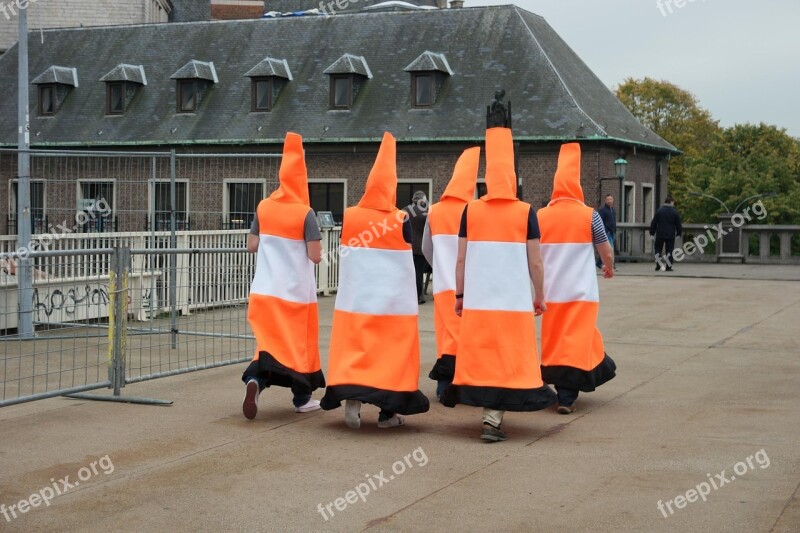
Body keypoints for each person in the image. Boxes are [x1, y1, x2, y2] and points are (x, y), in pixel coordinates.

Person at [441, 128, 556, 443]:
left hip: (479, 301)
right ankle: (493, 418)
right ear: (514, 180)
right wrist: (540, 296)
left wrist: (460, 295)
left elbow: (461, 260)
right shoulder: (525, 212)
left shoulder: (471, 210)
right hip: (513, 302)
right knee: (508, 356)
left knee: (483, 354)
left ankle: (489, 415)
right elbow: (535, 262)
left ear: (487, 180)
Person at [321, 132, 430, 429]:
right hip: (390, 304)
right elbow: (406, 258)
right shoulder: (400, 219)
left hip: (356, 301)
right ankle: (387, 415)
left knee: (356, 349)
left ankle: (352, 401)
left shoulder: (351, 215)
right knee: (388, 356)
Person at [241, 132, 325, 420]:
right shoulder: (306, 213)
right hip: (296, 295)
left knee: (268, 345)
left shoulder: (264, 207)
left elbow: (252, 245)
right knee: (297, 346)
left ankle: (255, 382)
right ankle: (302, 399)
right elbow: (315, 256)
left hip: (264, 292)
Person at [537, 143, 617, 415]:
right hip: (582, 292)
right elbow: (605, 248)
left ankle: (563, 388)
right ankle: (568, 395)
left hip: (551, 292)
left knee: (555, 339)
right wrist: (609, 267)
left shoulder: (540, 216)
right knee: (577, 338)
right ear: (578, 186)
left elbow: (532, 254)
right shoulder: (590, 215)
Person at [421, 147, 480, 400]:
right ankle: (467, 384)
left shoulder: (434, 210)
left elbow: (425, 248)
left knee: (446, 334)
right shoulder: (475, 210)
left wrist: (439, 268)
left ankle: (444, 386)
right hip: (472, 284)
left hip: (444, 283)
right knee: (471, 334)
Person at [404, 191, 430, 304]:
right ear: (422, 200)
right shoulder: (426, 213)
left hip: (406, 247)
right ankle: (418, 296)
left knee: (407, 272)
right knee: (418, 273)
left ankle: (407, 295)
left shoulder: (404, 211)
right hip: (420, 248)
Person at [650, 195, 683, 271]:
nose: (673, 204)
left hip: (660, 234)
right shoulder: (674, 212)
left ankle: (658, 264)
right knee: (669, 251)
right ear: (671, 202)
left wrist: (652, 233)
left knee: (658, 250)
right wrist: (678, 233)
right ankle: (668, 267)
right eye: (673, 202)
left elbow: (654, 223)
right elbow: (678, 224)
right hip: (670, 234)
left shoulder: (659, 211)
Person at [596, 194, 617, 270]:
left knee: (608, 249)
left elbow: (613, 221)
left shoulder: (613, 210)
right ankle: (610, 266)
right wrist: (605, 231)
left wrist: (614, 230)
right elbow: (600, 221)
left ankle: (599, 263)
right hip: (607, 232)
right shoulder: (603, 210)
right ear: (605, 200)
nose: (609, 201)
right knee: (609, 249)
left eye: (610, 199)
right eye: (608, 199)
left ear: (613, 200)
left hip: (612, 232)